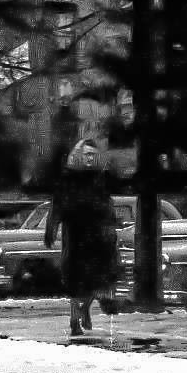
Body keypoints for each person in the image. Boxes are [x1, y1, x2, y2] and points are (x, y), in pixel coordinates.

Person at [45, 138, 120, 337]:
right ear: (78, 155)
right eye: (86, 154)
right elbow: (58, 205)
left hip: (97, 238)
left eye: (92, 155)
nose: (89, 158)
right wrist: (51, 228)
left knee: (97, 281)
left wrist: (111, 228)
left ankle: (84, 309)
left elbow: (107, 205)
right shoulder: (68, 179)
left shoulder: (100, 179)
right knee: (76, 282)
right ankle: (74, 320)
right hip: (76, 237)